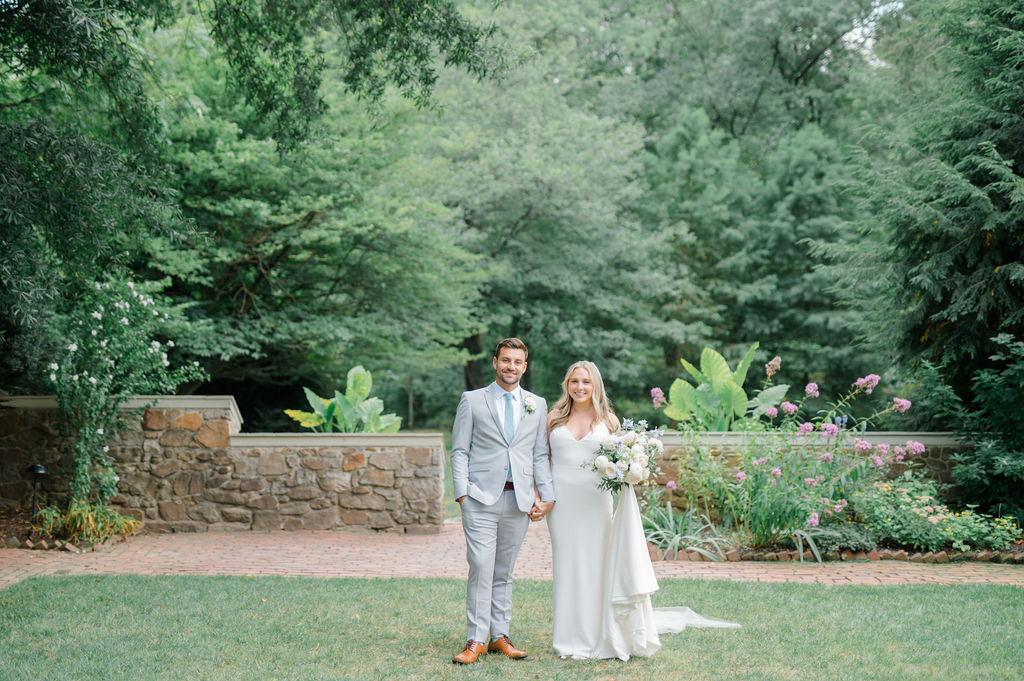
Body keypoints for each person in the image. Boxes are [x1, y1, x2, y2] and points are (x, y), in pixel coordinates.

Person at [544, 361, 739, 660]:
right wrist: (540, 494)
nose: (579, 387)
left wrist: (630, 469)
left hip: (596, 502)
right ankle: (567, 637)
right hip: (562, 502)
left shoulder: (609, 420)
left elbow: (622, 460)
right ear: (566, 384)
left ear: (595, 386)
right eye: (574, 381)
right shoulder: (553, 418)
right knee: (567, 566)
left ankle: (598, 633)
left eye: (586, 381)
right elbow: (542, 460)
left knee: (597, 566)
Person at [449, 338, 556, 665]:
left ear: (524, 366)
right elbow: (459, 450)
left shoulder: (536, 404)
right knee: (481, 565)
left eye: (517, 362)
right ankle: (475, 639)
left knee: (504, 571)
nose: (511, 366)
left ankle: (499, 636)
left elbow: (539, 454)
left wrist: (546, 496)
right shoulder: (472, 400)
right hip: (479, 498)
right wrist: (462, 493)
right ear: (495, 362)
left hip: (518, 500)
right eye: (506, 360)